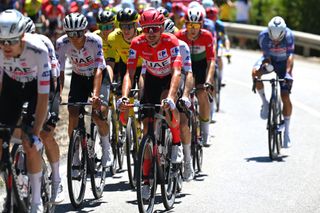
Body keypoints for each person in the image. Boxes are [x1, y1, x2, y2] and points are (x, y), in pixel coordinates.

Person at [118, 8, 182, 199]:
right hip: (152, 80)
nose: (151, 33)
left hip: (169, 79)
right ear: (141, 30)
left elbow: (177, 71)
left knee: (168, 104)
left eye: (155, 28)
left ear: (162, 27)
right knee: (147, 131)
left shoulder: (171, 41)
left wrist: (171, 98)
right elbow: (129, 73)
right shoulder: (137, 43)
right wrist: (124, 97)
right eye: (146, 29)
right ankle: (146, 180)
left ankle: (176, 144)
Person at [0, 9, 50, 212]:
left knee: (30, 144)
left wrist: (36, 132)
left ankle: (36, 201)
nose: (5, 46)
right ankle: (9, 187)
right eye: (1, 41)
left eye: (10, 41)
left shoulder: (38, 50)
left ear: (22, 36)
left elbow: (43, 96)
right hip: (12, 87)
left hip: (34, 89)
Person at [56, 13, 113, 169]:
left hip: (98, 76)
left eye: (78, 33)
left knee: (98, 113)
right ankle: (74, 154)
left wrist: (95, 94)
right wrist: (59, 93)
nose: (75, 38)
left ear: (85, 31)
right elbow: (59, 71)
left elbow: (99, 70)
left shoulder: (95, 41)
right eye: (70, 34)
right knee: (73, 112)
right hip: (78, 76)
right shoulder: (62, 43)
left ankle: (107, 148)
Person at [24, 16, 64, 204]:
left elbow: (54, 78)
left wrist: (53, 105)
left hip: (47, 87)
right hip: (23, 88)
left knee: (46, 134)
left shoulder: (43, 43)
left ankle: (56, 179)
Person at [175, 7, 216, 147]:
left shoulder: (207, 36)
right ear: (185, 24)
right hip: (185, 67)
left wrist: (209, 80)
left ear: (201, 25)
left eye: (196, 25)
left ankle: (205, 132)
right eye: (189, 25)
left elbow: (211, 61)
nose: (192, 29)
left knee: (202, 94)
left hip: (200, 67)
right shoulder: (179, 36)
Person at [252, 16, 294, 148]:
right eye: (273, 38)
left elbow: (291, 57)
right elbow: (266, 56)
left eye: (278, 39)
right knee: (255, 73)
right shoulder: (263, 36)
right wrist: (267, 66)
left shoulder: (289, 36)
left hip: (283, 64)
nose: (275, 41)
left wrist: (287, 73)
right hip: (270, 61)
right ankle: (265, 103)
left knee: (285, 96)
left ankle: (286, 131)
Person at [163, 19, 195, 181]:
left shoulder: (182, 46)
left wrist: (186, 95)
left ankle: (188, 160)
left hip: (179, 79)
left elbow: (188, 73)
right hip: (161, 81)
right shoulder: (151, 45)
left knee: (183, 124)